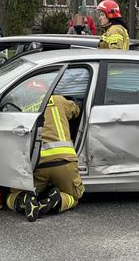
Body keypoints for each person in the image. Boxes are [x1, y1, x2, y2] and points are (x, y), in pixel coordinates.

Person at [6, 94, 85, 222]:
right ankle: (56, 201)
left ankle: (24, 200)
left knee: (11, 197)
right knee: (74, 196)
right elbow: (76, 110)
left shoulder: (22, 108)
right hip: (64, 162)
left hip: (38, 165)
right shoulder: (58, 100)